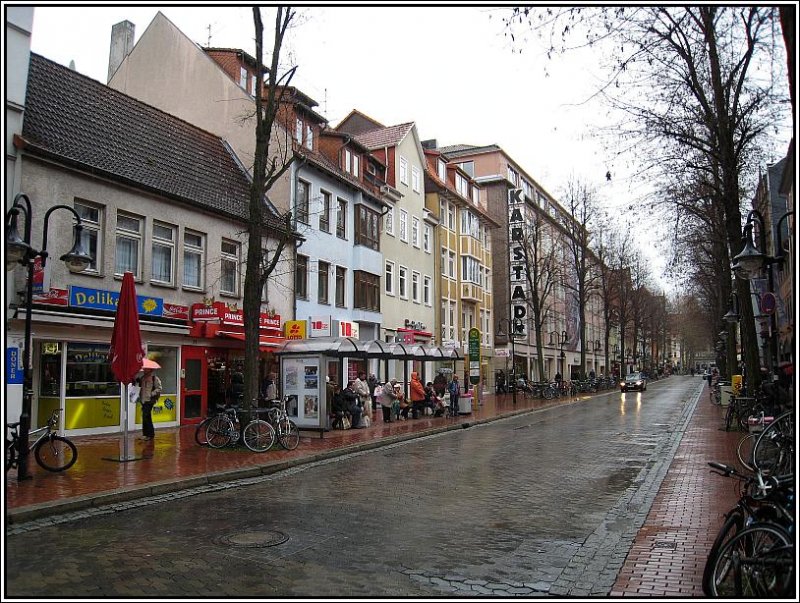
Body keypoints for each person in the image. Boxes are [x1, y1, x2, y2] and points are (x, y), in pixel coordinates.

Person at [138, 367, 162, 440]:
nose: (144, 370)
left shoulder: (154, 378)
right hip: (143, 400)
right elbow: (139, 388)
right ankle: (147, 434)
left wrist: (152, 393)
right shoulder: (142, 378)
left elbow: (159, 388)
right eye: (144, 369)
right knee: (146, 417)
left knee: (145, 416)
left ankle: (149, 434)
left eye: (146, 369)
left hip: (150, 400)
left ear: (150, 370)